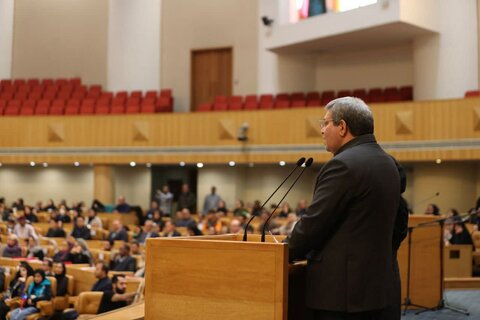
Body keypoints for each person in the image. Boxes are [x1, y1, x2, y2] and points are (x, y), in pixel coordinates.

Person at [286, 97, 401, 319]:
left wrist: (282, 252)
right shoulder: (389, 163)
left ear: (342, 127)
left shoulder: (342, 165)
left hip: (342, 295)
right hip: (379, 287)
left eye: (325, 123)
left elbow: (313, 225)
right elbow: (399, 225)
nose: (321, 130)